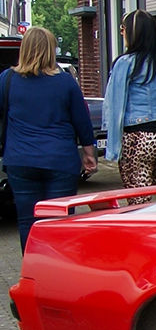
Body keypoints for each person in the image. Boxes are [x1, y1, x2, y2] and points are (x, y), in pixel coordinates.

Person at [1, 27, 98, 252]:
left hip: (20, 160)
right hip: (60, 161)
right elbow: (82, 121)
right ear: (50, 51)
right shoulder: (65, 82)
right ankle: (56, 272)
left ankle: (33, 273)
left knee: (27, 221)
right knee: (58, 222)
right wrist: (89, 155)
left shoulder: (6, 80)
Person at [104, 10, 156, 200]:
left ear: (133, 32)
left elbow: (115, 106)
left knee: (139, 201)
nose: (121, 33)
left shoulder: (125, 63)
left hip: (139, 136)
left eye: (123, 28)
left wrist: (113, 149)